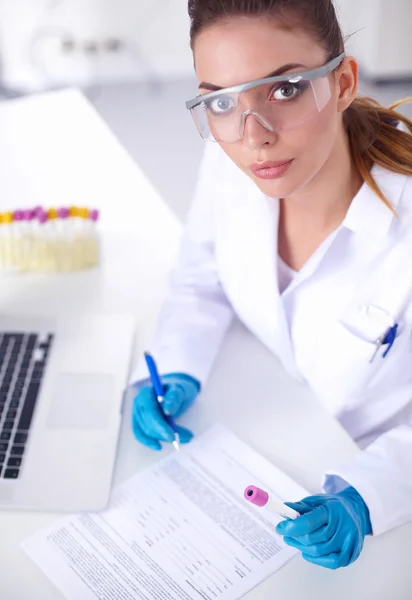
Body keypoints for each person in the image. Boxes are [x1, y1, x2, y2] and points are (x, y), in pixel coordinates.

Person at [131, 0, 412, 570]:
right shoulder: (234, 161)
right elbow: (199, 279)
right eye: (222, 101)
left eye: (284, 90)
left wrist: (368, 497)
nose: (252, 135)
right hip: (272, 428)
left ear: (343, 81)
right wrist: (178, 364)